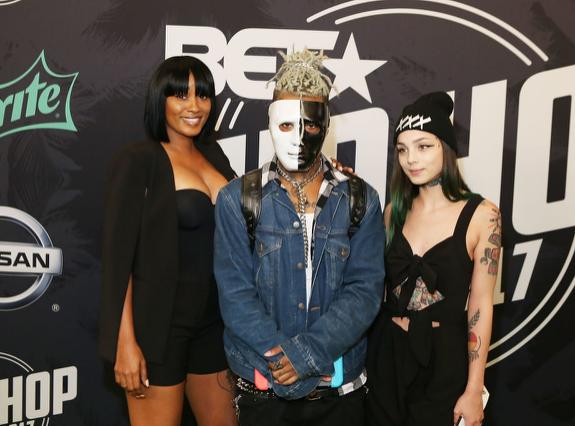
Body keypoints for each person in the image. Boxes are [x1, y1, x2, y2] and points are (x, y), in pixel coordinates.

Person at [214, 48, 386, 426]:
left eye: (309, 125)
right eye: (287, 125)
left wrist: (304, 355)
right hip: (263, 387)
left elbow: (365, 291)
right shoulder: (236, 199)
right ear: (270, 123)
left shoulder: (360, 199)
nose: (298, 138)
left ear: (325, 125)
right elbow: (234, 294)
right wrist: (281, 357)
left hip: (339, 393)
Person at [99, 56, 237, 426]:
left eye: (202, 95)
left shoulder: (215, 156)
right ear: (160, 100)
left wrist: (326, 177)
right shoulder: (139, 160)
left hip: (214, 324)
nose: (194, 106)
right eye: (180, 95)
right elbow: (117, 260)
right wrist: (124, 344)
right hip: (158, 330)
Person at [365, 92, 501, 426]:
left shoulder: (483, 216)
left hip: (444, 362)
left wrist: (474, 388)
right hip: (387, 357)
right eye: (402, 149)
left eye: (424, 146)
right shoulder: (392, 213)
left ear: (446, 148)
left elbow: (481, 305)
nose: (411, 158)